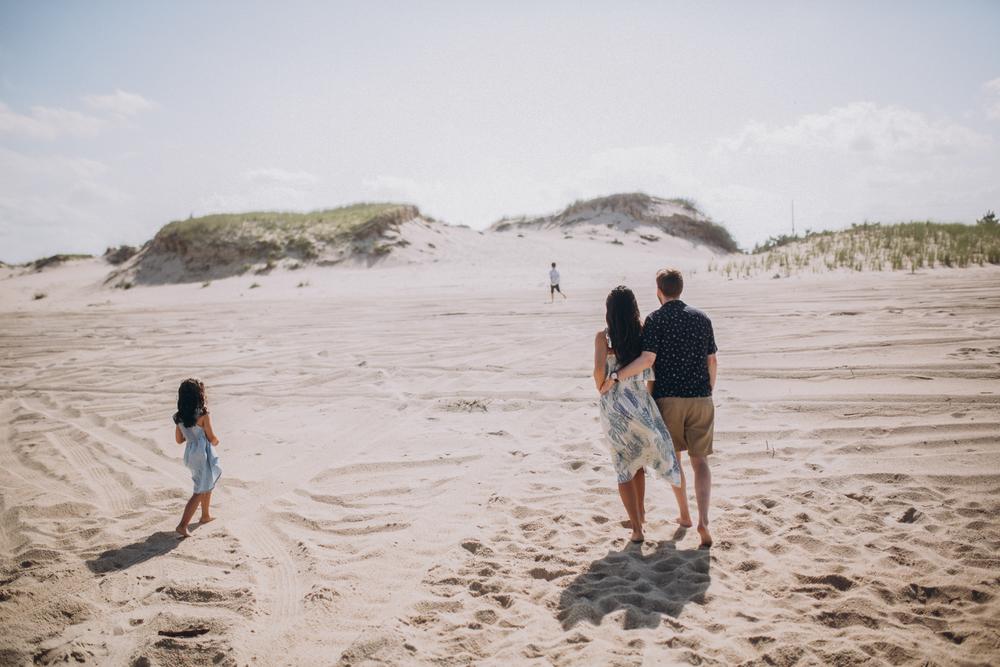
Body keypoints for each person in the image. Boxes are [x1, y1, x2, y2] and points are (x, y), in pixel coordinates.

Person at [608, 269, 717, 548]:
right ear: (681, 289)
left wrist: (617, 376)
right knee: (700, 461)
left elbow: (647, 360)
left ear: (659, 290)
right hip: (702, 397)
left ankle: (685, 515)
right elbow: (712, 361)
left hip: (668, 399)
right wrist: (708, 390)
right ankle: (704, 520)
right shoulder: (702, 318)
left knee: (675, 459)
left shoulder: (655, 319)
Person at [594, 286, 682, 544]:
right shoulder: (643, 332)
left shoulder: (603, 337)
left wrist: (605, 382)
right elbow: (650, 369)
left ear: (609, 311)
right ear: (634, 309)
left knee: (623, 467)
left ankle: (636, 529)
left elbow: (598, 376)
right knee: (639, 464)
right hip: (640, 404)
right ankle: (641, 515)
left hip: (614, 408)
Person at [173, 378, 222, 538]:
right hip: (203, 454)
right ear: (199, 396)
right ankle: (182, 525)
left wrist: (192, 436)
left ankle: (205, 515)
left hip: (191, 454)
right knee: (200, 490)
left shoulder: (179, 417)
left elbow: (179, 440)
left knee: (206, 483)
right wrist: (215, 441)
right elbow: (211, 436)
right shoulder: (203, 415)